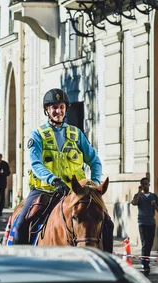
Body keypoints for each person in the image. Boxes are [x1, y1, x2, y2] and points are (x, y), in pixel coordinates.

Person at [12, 88, 114, 251]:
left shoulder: (76, 134)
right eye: (53, 107)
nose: (58, 111)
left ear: (66, 109)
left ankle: (108, 262)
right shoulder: (37, 135)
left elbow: (94, 161)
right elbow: (36, 163)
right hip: (44, 191)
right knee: (21, 225)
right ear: (47, 110)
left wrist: (93, 186)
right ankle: (17, 262)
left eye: (61, 107)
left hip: (77, 193)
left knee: (107, 222)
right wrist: (53, 179)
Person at [131, 177, 158, 276]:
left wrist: (155, 206)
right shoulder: (139, 196)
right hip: (142, 222)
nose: (145, 186)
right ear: (141, 185)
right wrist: (139, 192)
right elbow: (134, 203)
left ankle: (146, 261)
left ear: (149, 184)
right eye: (143, 184)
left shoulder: (154, 196)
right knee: (145, 243)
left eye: (146, 184)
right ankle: (145, 264)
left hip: (151, 223)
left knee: (149, 243)